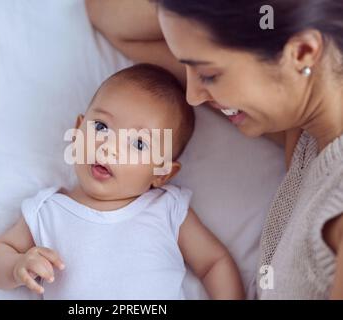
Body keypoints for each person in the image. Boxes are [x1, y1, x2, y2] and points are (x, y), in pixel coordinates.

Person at [86, 0, 343, 299]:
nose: (193, 97)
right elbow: (107, 14)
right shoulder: (305, 129)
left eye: (209, 75)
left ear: (301, 52)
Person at [0, 64, 245, 299]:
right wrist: (17, 266)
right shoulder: (48, 210)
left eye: (139, 143)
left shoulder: (168, 209)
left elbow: (214, 263)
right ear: (77, 132)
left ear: (161, 173)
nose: (108, 147)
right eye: (100, 127)